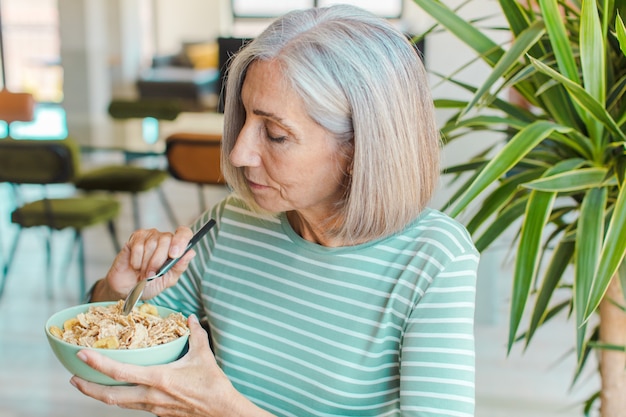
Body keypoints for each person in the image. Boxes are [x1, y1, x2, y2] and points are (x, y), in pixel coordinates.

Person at [71, 4, 479, 416]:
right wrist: (117, 292)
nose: (239, 151)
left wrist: (223, 410)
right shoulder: (232, 223)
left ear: (359, 148)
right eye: (245, 117)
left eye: (276, 134)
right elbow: (108, 353)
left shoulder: (434, 259)